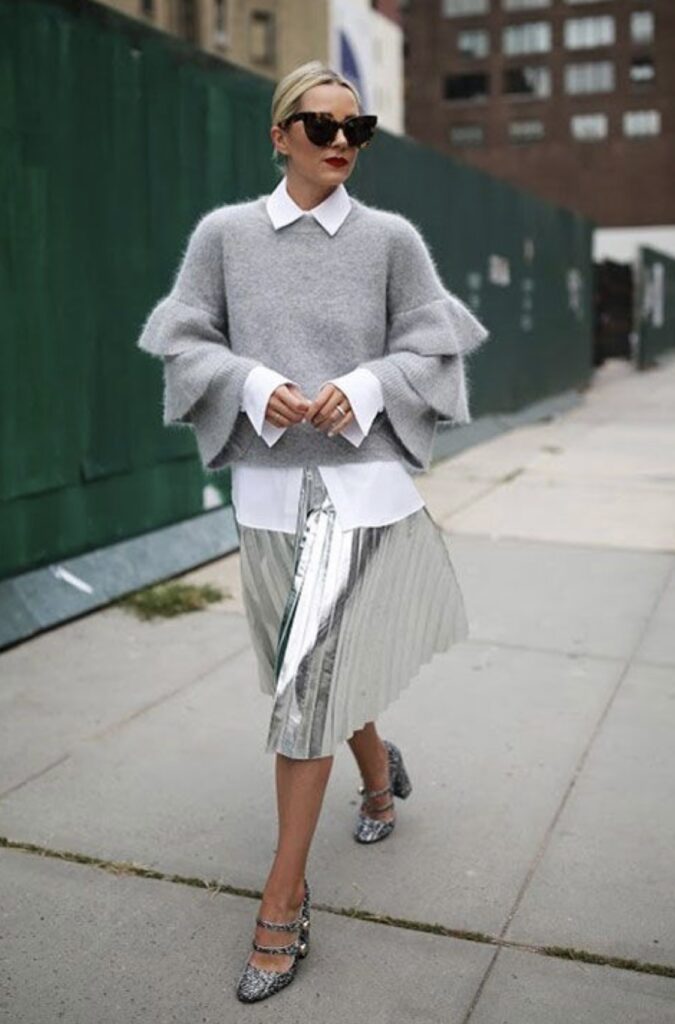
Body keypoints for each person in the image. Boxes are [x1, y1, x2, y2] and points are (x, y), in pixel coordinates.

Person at [136, 60, 490, 1004]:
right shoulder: (225, 236)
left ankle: (281, 908)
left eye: (355, 127)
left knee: (304, 695)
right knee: (315, 674)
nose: (341, 141)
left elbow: (434, 348)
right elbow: (182, 340)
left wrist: (365, 386)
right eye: (320, 124)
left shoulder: (389, 241)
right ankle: (378, 776)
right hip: (264, 501)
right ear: (279, 135)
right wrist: (253, 383)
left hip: (361, 498)